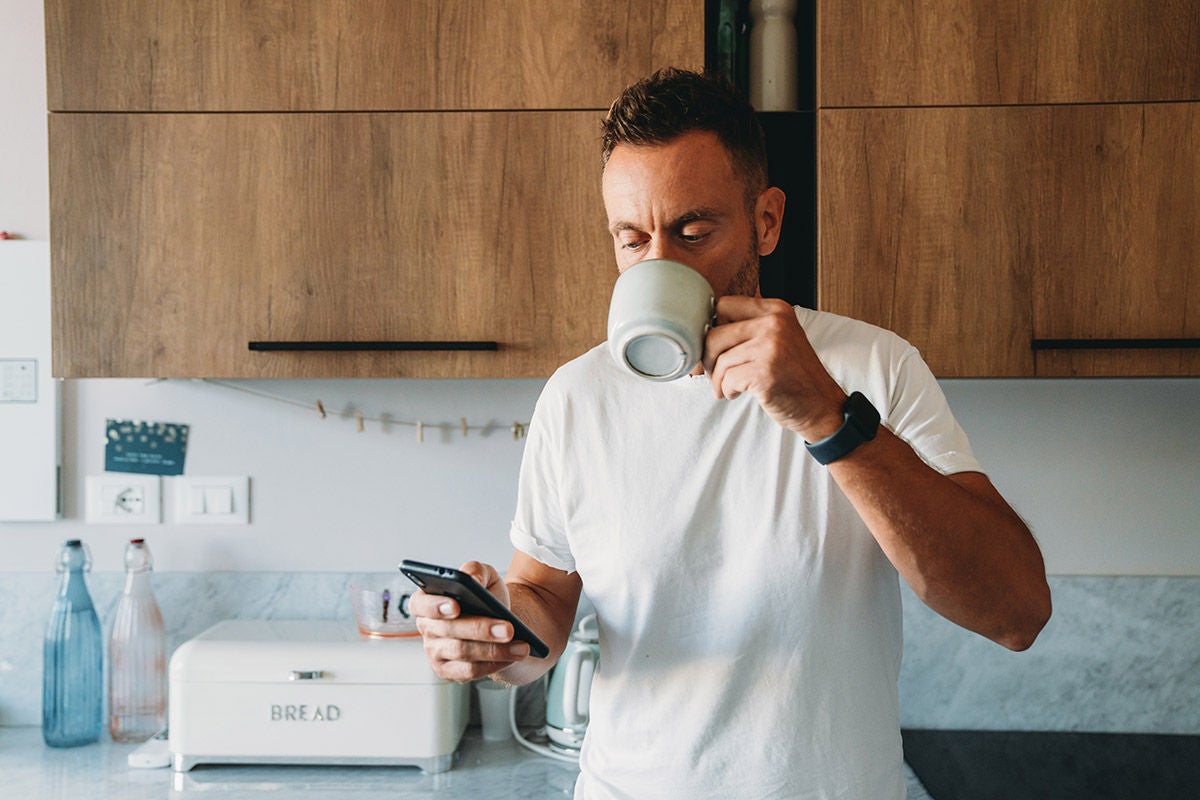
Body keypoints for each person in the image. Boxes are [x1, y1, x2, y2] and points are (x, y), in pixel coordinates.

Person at [410, 68, 1051, 800]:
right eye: (632, 239)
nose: (660, 265)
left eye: (692, 231)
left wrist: (829, 420)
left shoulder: (870, 367)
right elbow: (544, 598)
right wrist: (495, 636)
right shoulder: (577, 397)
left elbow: (1017, 612)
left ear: (766, 221)